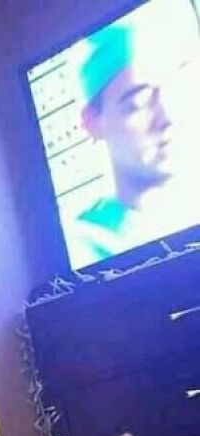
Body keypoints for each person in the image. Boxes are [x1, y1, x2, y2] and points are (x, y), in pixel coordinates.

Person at [71, 18, 198, 266]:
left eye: (174, 88)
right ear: (92, 123)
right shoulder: (88, 248)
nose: (167, 118)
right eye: (139, 104)